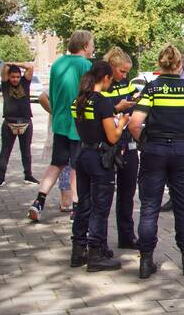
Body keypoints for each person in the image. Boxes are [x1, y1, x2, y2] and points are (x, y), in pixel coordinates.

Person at [129, 44, 184, 279]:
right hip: (183, 150)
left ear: (160, 64)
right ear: (180, 65)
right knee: (183, 207)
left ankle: (146, 262)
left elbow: (134, 123)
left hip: (155, 150)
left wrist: (144, 143)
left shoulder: (152, 89)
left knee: (149, 207)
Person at [29, 30, 94, 221]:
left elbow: (51, 94)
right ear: (84, 46)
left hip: (59, 123)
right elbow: (88, 94)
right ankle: (76, 206)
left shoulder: (57, 64)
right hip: (77, 124)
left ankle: (39, 201)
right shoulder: (85, 65)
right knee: (76, 166)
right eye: (91, 45)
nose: (93, 49)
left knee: (56, 163)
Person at [70, 60, 128, 271]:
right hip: (99, 158)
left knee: (83, 205)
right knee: (100, 207)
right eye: (110, 80)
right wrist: (121, 123)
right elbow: (112, 138)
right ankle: (95, 254)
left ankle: (78, 250)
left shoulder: (78, 101)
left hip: (82, 153)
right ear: (105, 78)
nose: (110, 84)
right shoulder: (102, 102)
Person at [101, 47, 139, 249]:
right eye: (122, 71)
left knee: (128, 193)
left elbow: (133, 106)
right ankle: (100, 241)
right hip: (108, 146)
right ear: (111, 68)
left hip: (128, 144)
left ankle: (127, 236)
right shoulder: (101, 85)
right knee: (105, 195)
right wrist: (118, 108)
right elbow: (98, 110)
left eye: (127, 72)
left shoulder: (126, 83)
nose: (125, 76)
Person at [0, 62, 38, 187]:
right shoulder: (5, 84)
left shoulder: (25, 83)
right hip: (9, 123)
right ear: (9, 77)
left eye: (17, 77)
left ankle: (28, 175)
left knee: (26, 151)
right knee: (5, 151)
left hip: (25, 123)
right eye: (12, 77)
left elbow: (30, 67)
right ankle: (1, 177)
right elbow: (4, 69)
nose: (15, 79)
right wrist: (8, 65)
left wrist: (14, 63)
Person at [38, 92, 76, 214]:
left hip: (60, 130)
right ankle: (71, 204)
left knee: (58, 165)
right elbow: (42, 97)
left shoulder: (58, 75)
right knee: (72, 167)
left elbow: (42, 97)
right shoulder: (79, 77)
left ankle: (38, 202)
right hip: (72, 131)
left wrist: (57, 114)